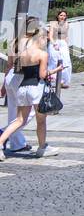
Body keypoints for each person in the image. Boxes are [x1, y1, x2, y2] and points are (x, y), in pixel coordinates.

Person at [0, 25, 56, 160]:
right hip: (36, 88)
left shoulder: (23, 53)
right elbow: (42, 74)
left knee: (19, 120)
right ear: (40, 38)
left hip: (22, 88)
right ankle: (42, 147)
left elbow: (14, 67)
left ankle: (0, 141)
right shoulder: (42, 54)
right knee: (41, 120)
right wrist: (55, 70)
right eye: (44, 38)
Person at [47, 10, 71, 90]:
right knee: (54, 61)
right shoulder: (53, 23)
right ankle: (53, 80)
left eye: (64, 15)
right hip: (54, 42)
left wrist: (67, 45)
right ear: (58, 16)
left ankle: (64, 80)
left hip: (63, 44)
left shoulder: (67, 24)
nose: (62, 17)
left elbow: (66, 36)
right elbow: (50, 36)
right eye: (61, 15)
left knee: (66, 61)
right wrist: (54, 44)